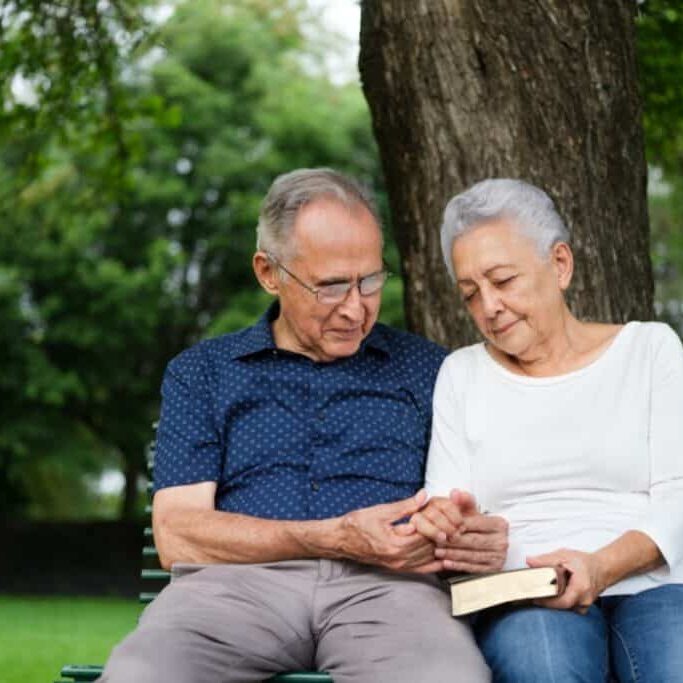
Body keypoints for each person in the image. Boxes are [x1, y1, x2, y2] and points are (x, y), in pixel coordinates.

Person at [99, 168, 508, 683]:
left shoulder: (430, 370)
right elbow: (179, 535)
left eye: (371, 280)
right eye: (332, 286)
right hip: (230, 592)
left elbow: (474, 502)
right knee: (142, 674)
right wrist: (333, 537)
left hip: (391, 593)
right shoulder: (203, 372)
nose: (356, 308)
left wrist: (472, 533)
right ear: (269, 273)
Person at [419, 178, 683, 682]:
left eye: (503, 280)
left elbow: (679, 497)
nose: (489, 307)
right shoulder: (461, 373)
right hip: (524, 591)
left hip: (655, 586)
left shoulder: (650, 350)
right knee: (544, 668)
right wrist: (455, 530)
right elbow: (445, 504)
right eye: (470, 293)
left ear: (559, 264)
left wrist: (599, 566)